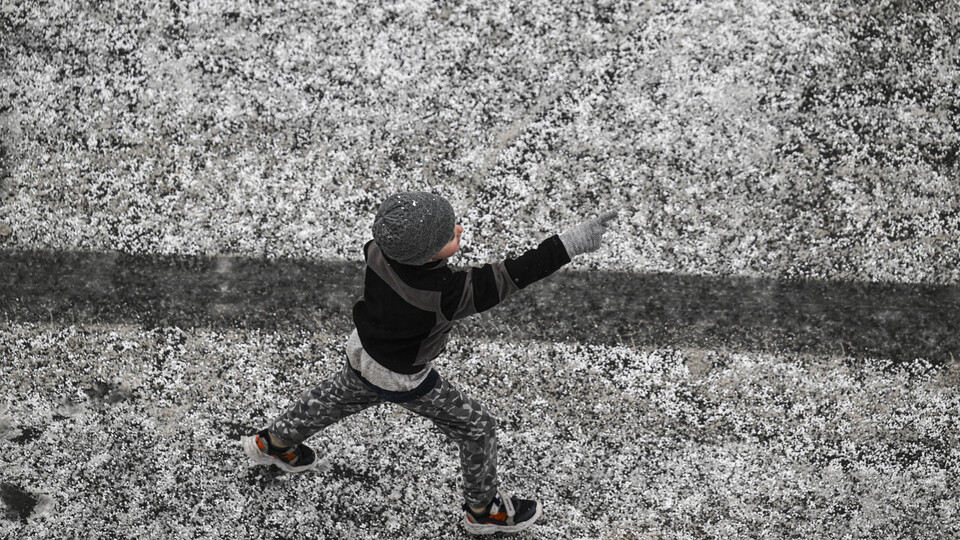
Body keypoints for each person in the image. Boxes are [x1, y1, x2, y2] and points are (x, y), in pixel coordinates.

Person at [241, 192, 617, 535]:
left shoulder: (377, 249)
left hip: (364, 348)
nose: (459, 230)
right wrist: (571, 243)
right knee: (477, 428)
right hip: (401, 374)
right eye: (449, 237)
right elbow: (515, 274)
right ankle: (484, 511)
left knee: (335, 398)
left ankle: (272, 443)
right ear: (426, 256)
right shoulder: (447, 294)